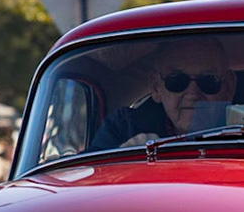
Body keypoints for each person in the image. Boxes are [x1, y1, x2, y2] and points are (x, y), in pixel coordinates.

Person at [89, 38, 234, 150]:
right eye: (177, 81)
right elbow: (83, 176)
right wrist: (124, 156)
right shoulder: (124, 128)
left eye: (208, 80)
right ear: (156, 87)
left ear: (228, 87)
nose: (192, 94)